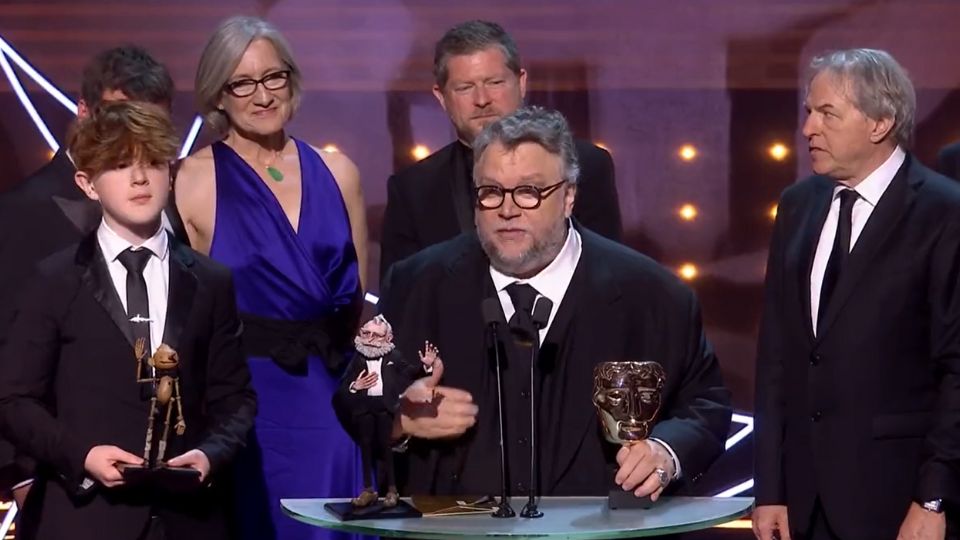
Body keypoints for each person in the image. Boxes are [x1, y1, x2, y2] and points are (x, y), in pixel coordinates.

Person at [380, 106, 731, 498]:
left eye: (528, 192)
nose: (507, 209)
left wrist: (665, 452)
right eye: (491, 192)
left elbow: (705, 404)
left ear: (567, 198)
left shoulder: (651, 294)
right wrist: (398, 419)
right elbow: (354, 397)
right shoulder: (416, 285)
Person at [0, 101, 256, 540]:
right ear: (88, 183)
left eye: (153, 162)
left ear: (170, 172)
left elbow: (235, 399)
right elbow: (13, 400)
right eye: (120, 165)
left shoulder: (211, 281)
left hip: (188, 518)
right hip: (84, 517)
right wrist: (82, 455)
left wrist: (210, 454)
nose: (140, 178)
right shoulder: (54, 281)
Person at [174, 16, 368, 540]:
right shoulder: (192, 181)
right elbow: (189, 325)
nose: (261, 95)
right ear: (219, 93)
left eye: (273, 77)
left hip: (334, 396)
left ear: (291, 79)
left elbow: (358, 311)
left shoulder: (339, 172)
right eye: (243, 83)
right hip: (248, 407)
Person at [754, 49, 960, 540]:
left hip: (899, 501)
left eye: (827, 113)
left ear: (880, 122)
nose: (807, 129)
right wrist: (771, 488)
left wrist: (934, 497)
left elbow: (957, 369)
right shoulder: (797, 206)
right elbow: (777, 356)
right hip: (803, 504)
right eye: (808, 111)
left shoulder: (943, 213)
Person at [0, 44, 175, 506]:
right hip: (60, 476)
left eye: (149, 124)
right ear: (83, 111)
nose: (133, 138)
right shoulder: (20, 213)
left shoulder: (164, 205)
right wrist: (18, 474)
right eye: (119, 118)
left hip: (165, 477)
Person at [379, 20, 622, 280]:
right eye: (465, 88)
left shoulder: (588, 166)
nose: (482, 100)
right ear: (441, 97)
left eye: (494, 82)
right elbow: (401, 299)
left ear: (521, 82)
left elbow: (608, 279)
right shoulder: (412, 189)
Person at [332, 316, 437, 508]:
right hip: (364, 409)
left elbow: (410, 373)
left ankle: (392, 489)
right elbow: (343, 386)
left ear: (387, 339)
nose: (370, 339)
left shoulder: (394, 357)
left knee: (387, 448)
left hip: (385, 408)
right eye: (366, 333)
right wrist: (355, 386)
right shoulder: (357, 358)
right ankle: (368, 489)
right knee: (365, 447)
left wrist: (426, 366)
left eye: (376, 335)